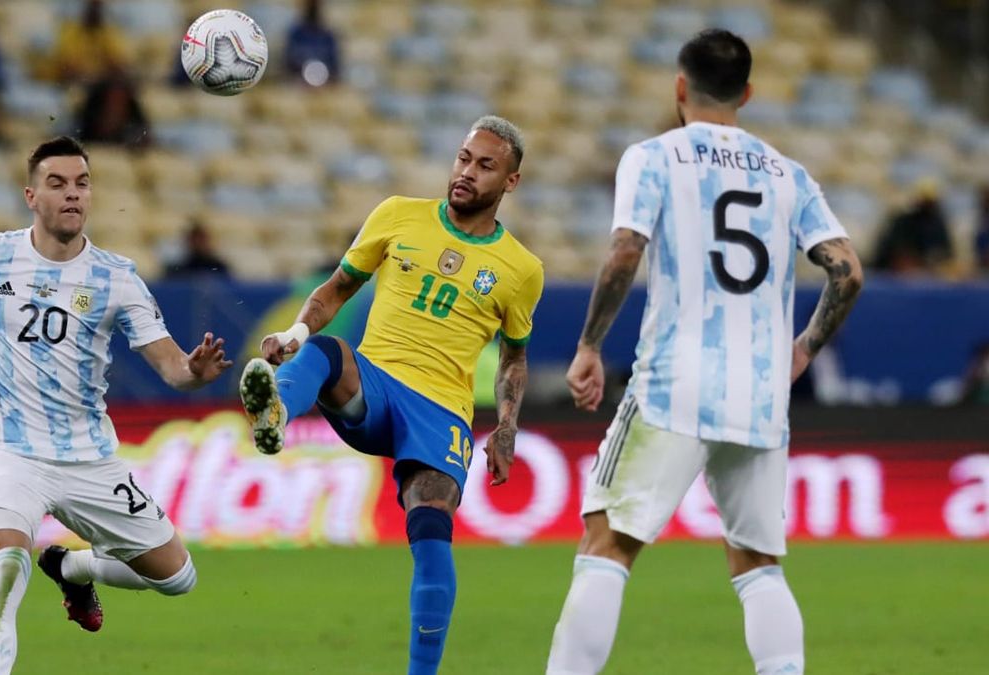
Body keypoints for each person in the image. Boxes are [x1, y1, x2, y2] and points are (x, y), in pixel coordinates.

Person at [545, 30, 863, 675]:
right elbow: (848, 271)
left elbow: (626, 251)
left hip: (674, 383)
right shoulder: (789, 174)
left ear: (680, 87)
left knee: (606, 544)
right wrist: (803, 348)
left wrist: (589, 346)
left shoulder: (654, 156)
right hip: (760, 391)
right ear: (747, 93)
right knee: (756, 563)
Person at [0, 136, 233, 674]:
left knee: (177, 577)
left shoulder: (118, 277)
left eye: (82, 183)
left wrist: (195, 371)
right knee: (4, 561)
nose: (72, 194)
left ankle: (70, 567)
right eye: (57, 183)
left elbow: (172, 366)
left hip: (91, 459)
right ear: (31, 195)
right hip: (12, 454)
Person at [238, 115, 544, 675]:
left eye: (484, 166)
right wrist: (293, 335)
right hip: (375, 385)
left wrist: (505, 428)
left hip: (441, 412)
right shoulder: (397, 214)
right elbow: (335, 290)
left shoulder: (522, 270)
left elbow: (514, 358)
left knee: (430, 522)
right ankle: (276, 410)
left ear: (511, 182)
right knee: (327, 352)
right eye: (462, 158)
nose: (466, 173)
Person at [871, 178, 953, 275]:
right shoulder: (902, 222)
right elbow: (893, 252)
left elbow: (945, 253)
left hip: (928, 275)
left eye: (930, 202)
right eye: (925, 201)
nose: (927, 206)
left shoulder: (938, 224)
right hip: (893, 275)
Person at [47, 0, 131, 85]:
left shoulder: (109, 33)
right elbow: (67, 64)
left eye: (97, 8)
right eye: (91, 8)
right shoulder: (70, 31)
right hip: (74, 83)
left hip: (101, 83)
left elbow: (117, 62)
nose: (94, 12)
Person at [285, 0, 341, 86]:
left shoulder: (328, 36)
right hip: (298, 87)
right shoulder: (296, 34)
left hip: (325, 88)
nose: (313, 8)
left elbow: (335, 69)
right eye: (310, 4)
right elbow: (287, 66)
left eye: (316, 4)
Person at [164, 221, 230, 277]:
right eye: (195, 240)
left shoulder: (218, 267)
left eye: (201, 240)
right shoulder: (178, 268)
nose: (198, 243)